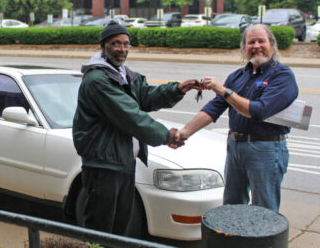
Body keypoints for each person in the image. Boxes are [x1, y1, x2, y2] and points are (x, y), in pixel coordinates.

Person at [72, 20, 199, 236]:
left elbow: (146, 97)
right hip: (104, 165)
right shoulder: (97, 80)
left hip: (123, 161)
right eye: (115, 44)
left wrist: (176, 89)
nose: (122, 49)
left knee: (121, 226)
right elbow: (130, 115)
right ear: (103, 46)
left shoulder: (123, 74)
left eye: (126, 44)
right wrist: (166, 135)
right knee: (101, 229)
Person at [171, 24, 299, 212]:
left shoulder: (282, 76)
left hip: (266, 149)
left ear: (271, 44)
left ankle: (263, 243)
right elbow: (214, 108)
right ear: (244, 47)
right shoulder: (238, 76)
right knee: (231, 206)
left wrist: (223, 90)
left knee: (264, 211)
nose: (256, 46)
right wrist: (184, 133)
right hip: (235, 146)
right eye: (251, 42)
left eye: (261, 41)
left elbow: (258, 111)